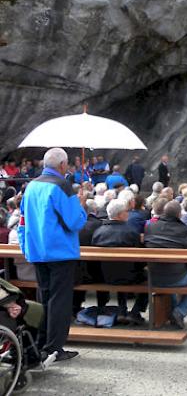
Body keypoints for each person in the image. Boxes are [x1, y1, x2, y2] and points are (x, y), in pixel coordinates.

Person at [18, 147, 86, 361]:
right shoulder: (62, 186)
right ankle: (55, 348)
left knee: (45, 298)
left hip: (37, 251)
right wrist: (81, 206)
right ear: (63, 165)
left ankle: (41, 343)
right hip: (60, 252)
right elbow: (75, 221)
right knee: (60, 301)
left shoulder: (31, 186)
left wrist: (26, 248)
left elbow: (22, 221)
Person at [144, 201, 187, 329]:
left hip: (151, 276)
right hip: (175, 277)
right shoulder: (183, 229)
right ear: (179, 214)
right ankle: (179, 312)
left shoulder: (150, 227)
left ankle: (173, 312)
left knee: (171, 274)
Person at [92, 199, 148, 325]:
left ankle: (112, 309)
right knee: (150, 278)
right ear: (119, 215)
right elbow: (141, 259)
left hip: (104, 277)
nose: (128, 214)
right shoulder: (132, 232)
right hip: (129, 276)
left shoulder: (98, 232)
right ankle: (135, 311)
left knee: (117, 268)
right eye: (126, 212)